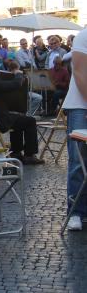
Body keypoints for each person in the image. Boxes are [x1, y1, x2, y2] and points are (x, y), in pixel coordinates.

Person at [62, 28, 87, 230]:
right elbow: (80, 72)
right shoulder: (84, 36)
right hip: (81, 105)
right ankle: (76, 212)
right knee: (78, 160)